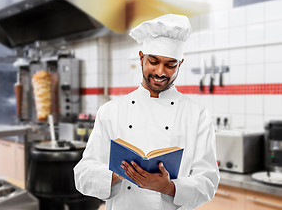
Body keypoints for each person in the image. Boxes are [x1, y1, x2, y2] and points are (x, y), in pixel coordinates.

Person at [73, 14, 219, 209]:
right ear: (141, 58)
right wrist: (118, 173)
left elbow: (207, 182)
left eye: (170, 65)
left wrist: (169, 187)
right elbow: (83, 174)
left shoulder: (198, 116)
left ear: (180, 64)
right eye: (153, 61)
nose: (160, 72)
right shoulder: (111, 111)